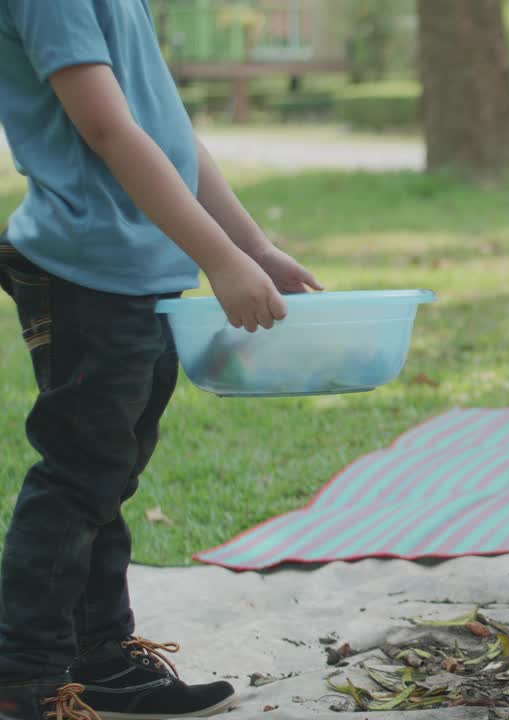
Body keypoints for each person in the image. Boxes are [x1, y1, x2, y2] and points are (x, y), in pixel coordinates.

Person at [0, 2, 322, 718]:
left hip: (137, 268)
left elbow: (166, 128)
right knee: (80, 472)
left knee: (108, 469)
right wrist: (219, 259)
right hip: (84, 267)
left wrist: (253, 246)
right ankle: (22, 674)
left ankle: (100, 656)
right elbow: (108, 128)